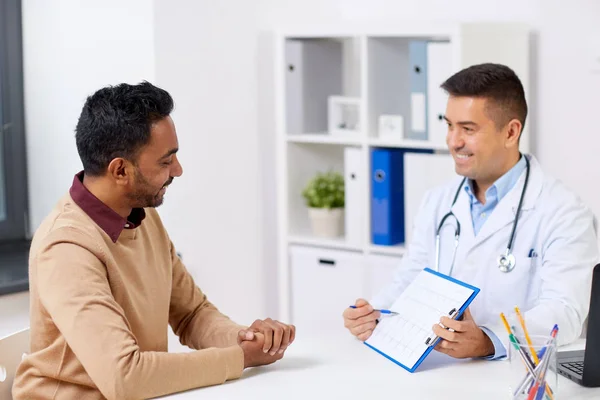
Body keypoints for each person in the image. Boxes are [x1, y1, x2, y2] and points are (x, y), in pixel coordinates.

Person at [12, 82, 295, 400]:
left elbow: (192, 314)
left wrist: (244, 339)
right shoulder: (66, 248)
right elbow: (125, 377)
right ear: (120, 170)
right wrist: (241, 359)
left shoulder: (141, 216)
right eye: (165, 161)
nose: (178, 169)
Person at [343, 63, 599, 359]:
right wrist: (373, 312)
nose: (453, 141)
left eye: (468, 129)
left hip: (512, 374)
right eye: (449, 125)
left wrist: (490, 340)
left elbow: (565, 311)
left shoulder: (564, 212)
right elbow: (412, 276)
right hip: (439, 369)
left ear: (511, 131)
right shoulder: (437, 200)